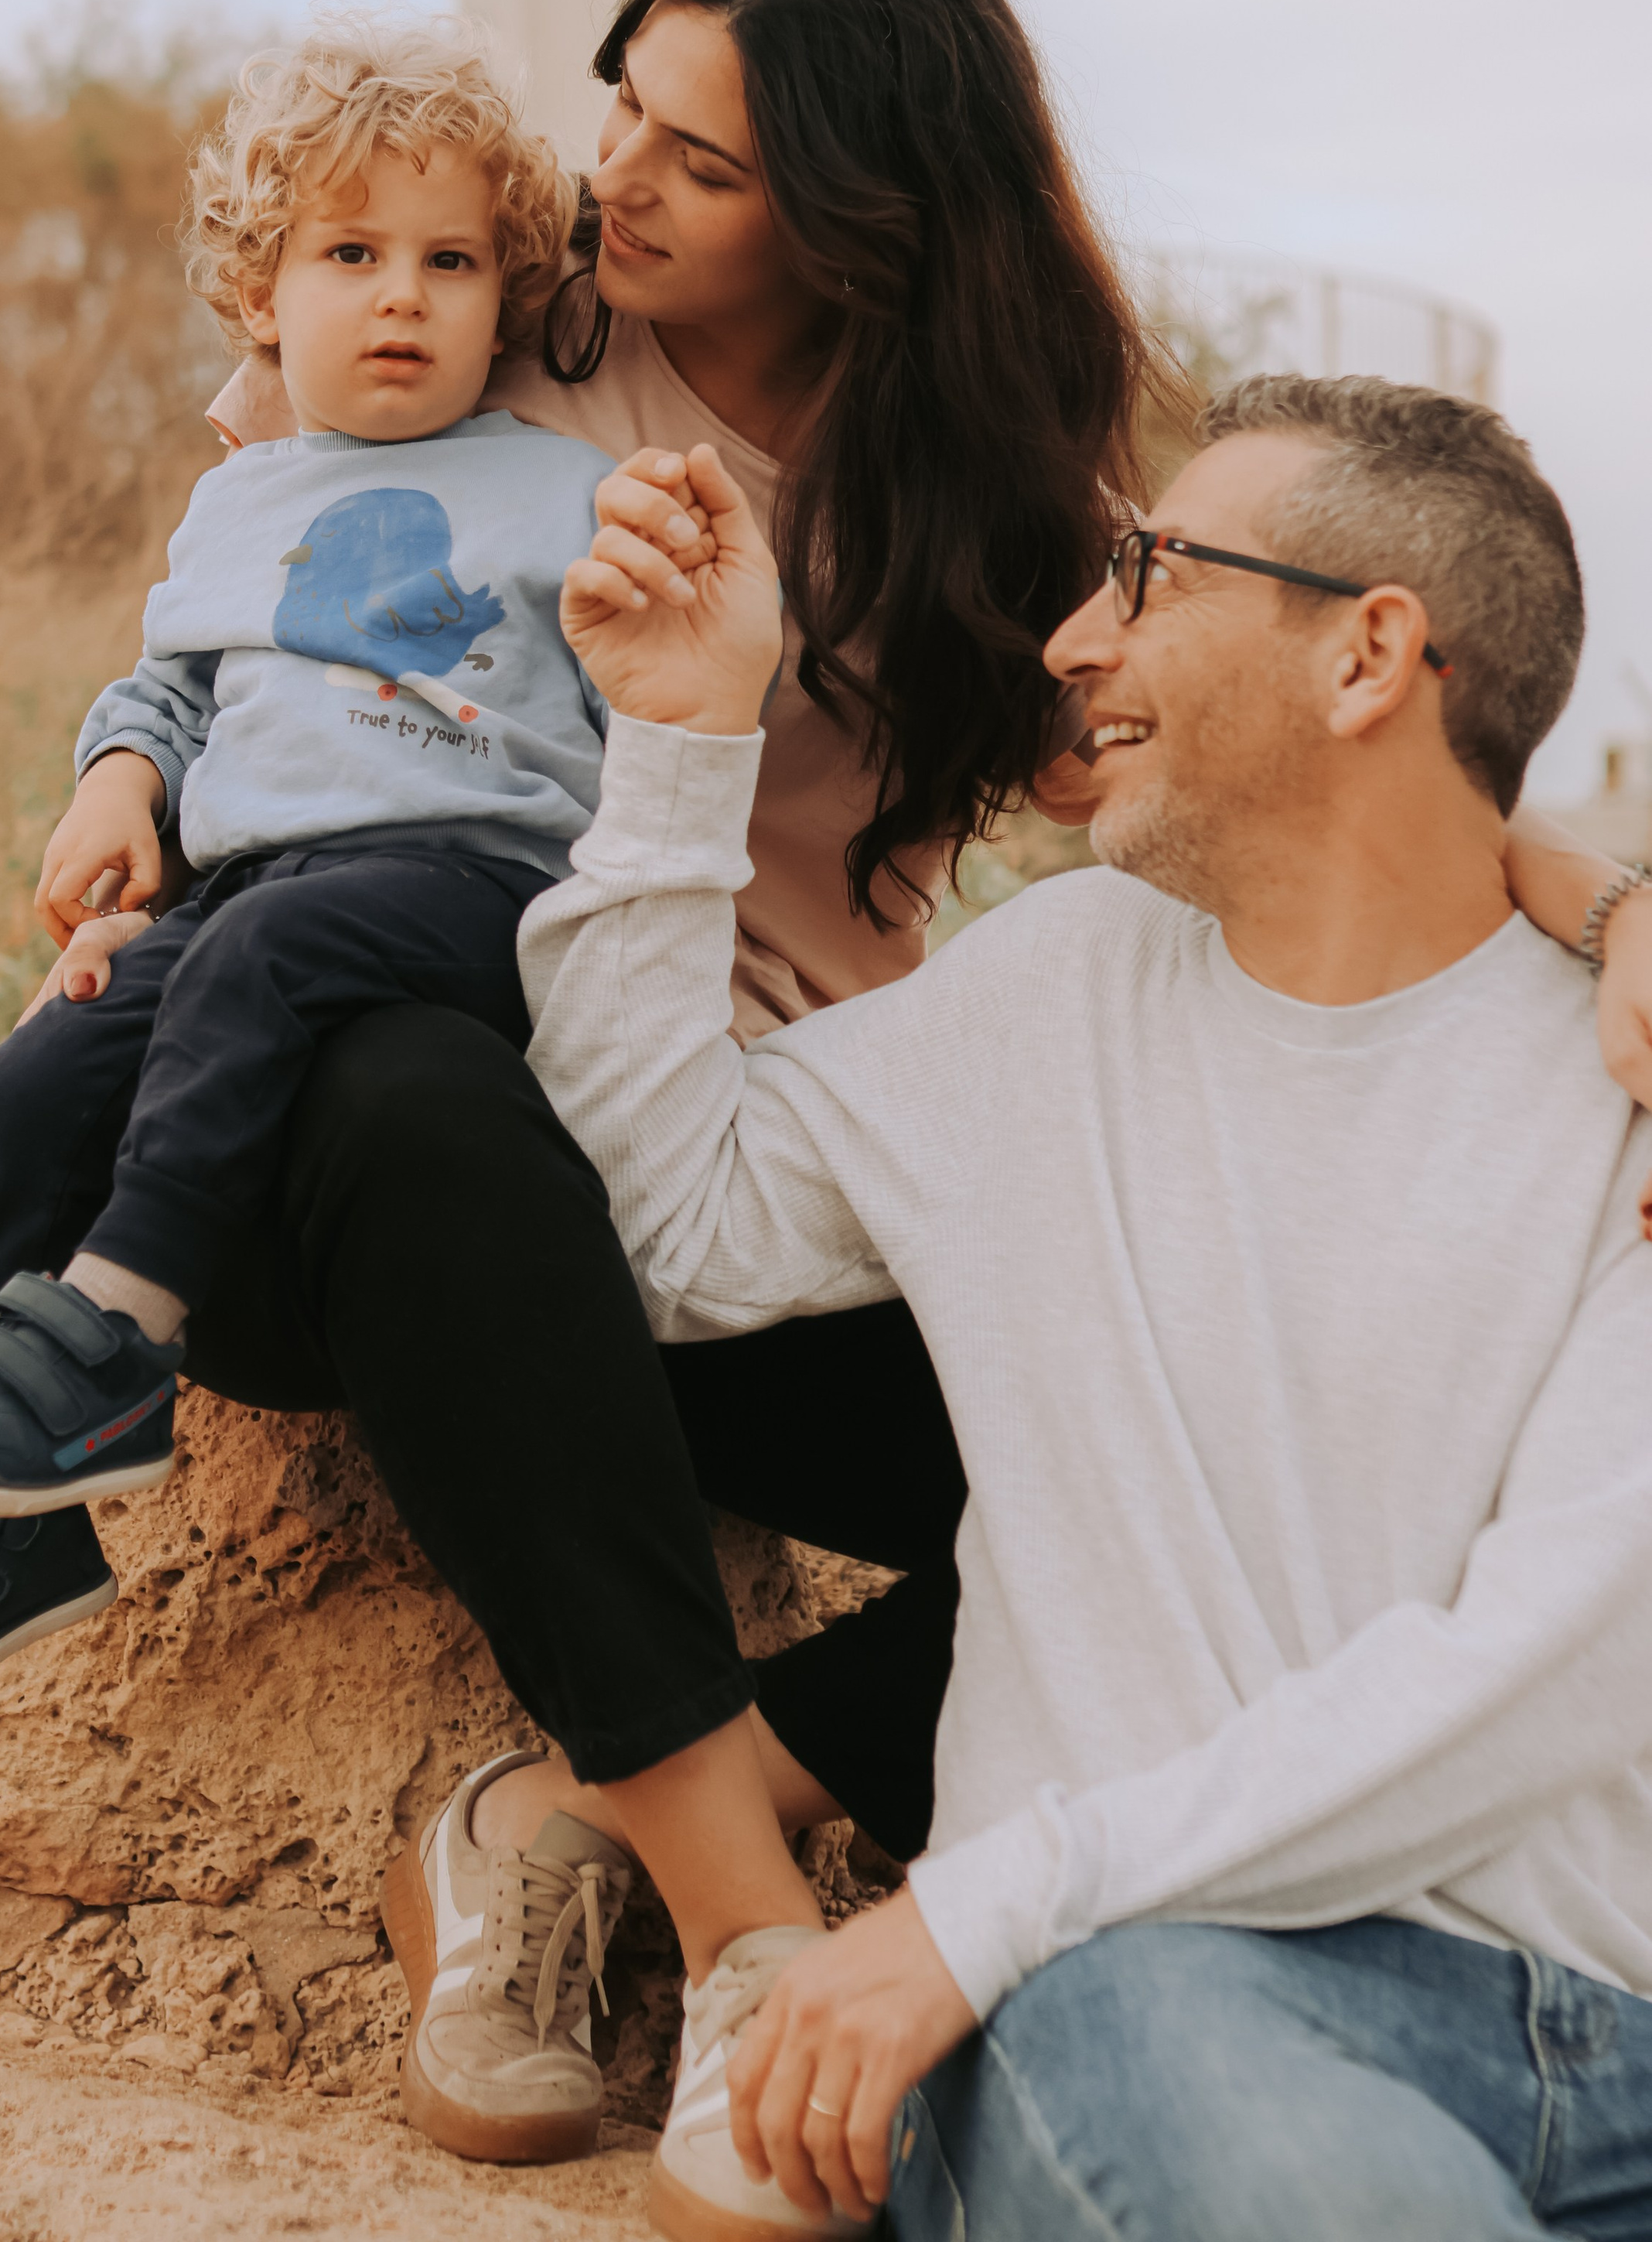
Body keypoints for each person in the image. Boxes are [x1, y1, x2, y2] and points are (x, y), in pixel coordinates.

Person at [0, 0, 1652, 2220]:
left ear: (861, 215)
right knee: (415, 1082)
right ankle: (730, 1912)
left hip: (767, 1168)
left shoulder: (995, 499)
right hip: (396, 1143)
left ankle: (555, 1818)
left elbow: (1344, 770)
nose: (610, 181)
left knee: (1167, 1500)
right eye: (620, 107)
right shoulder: (479, 311)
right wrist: (130, 803)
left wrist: (1613, 898)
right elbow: (232, 614)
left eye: (701, 154)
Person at [521, 379, 1652, 2240]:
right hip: (1152, 1989)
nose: (1072, 639)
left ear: (1368, 654)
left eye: (1152, 574)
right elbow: (665, 1227)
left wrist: (974, 1905)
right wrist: (681, 742)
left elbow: (1559, 1660)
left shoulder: (1620, 1073)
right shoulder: (1051, 996)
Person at [0, 15, 622, 1682]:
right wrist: (116, 776)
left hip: (474, 887)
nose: (401, 293)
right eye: (349, 251)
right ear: (262, 296)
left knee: (261, 954)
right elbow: (174, 687)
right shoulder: (242, 497)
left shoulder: (570, 489)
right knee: (39, 1072)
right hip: (258, 895)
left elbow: (652, 725)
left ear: (507, 295)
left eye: (449, 259)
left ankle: (113, 1335)